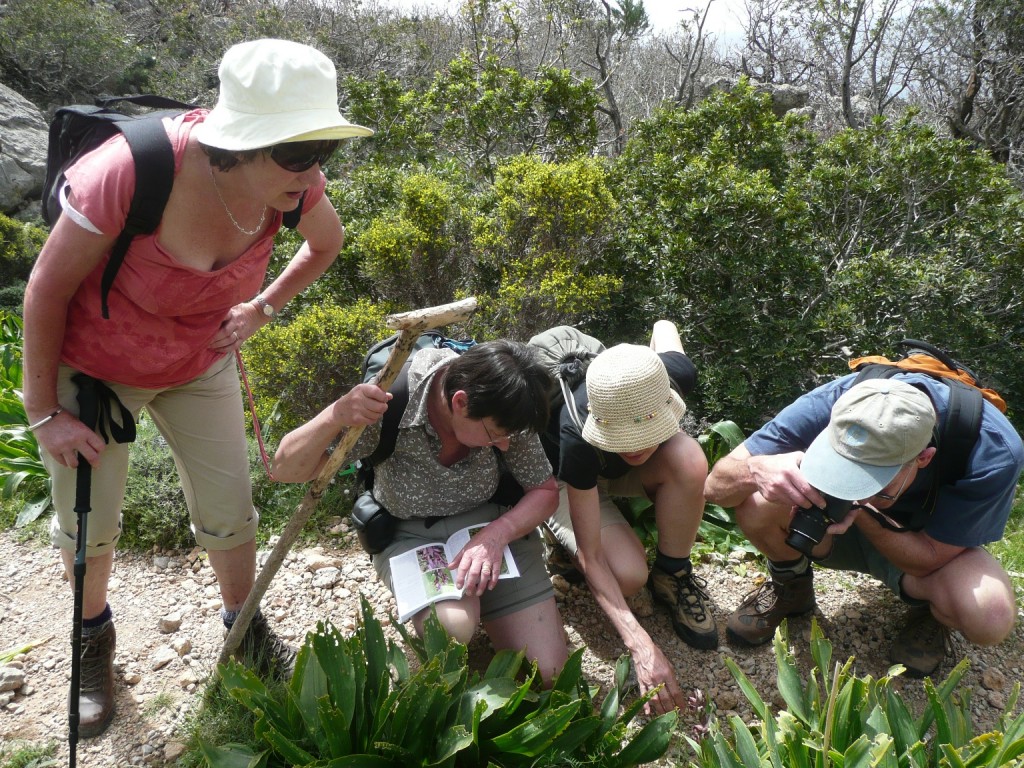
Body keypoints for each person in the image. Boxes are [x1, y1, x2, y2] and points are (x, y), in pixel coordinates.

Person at [22, 38, 373, 737]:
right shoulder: (127, 173)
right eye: (298, 153)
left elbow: (325, 245)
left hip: (198, 360)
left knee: (231, 507)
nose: (313, 173)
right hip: (95, 372)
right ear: (239, 144)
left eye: (324, 150)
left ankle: (242, 626)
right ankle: (92, 641)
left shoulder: (295, 188)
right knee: (90, 527)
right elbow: (45, 291)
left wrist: (262, 307)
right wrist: (43, 415)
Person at [272, 340, 570, 685]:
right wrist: (336, 414)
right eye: (495, 436)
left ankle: (492, 607)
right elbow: (285, 470)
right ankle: (467, 615)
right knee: (453, 628)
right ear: (460, 403)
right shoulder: (390, 405)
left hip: (493, 523)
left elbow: (544, 491)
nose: (504, 446)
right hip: (409, 532)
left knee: (550, 672)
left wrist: (497, 534)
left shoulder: (505, 403)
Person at [705, 375, 1023, 677]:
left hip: (927, 547)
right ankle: (791, 587)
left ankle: (931, 612)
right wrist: (754, 469)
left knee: (989, 615)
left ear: (923, 458)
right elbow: (714, 487)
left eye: (873, 482)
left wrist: (860, 508)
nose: (849, 489)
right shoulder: (835, 403)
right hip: (839, 530)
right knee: (757, 502)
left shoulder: (992, 449)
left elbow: (928, 558)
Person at [540, 320, 716, 715]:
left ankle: (673, 575)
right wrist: (640, 643)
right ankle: (552, 533)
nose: (635, 447)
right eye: (625, 437)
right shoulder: (577, 432)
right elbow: (592, 554)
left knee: (688, 459)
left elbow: (665, 327)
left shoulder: (670, 376)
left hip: (610, 466)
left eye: (642, 433)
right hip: (570, 477)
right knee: (627, 575)